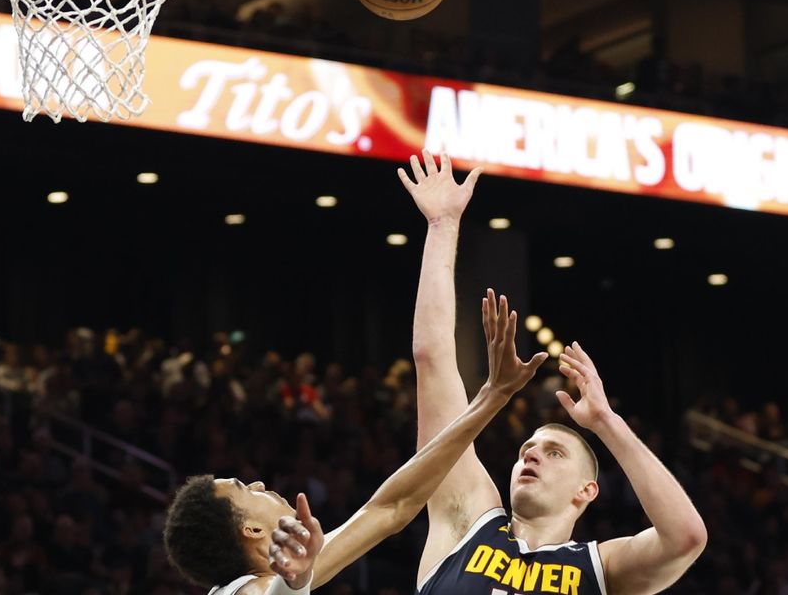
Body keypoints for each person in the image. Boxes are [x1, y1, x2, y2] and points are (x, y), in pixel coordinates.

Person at [399, 149, 708, 595]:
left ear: (586, 491)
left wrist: (606, 422)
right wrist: (443, 226)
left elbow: (686, 538)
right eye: (528, 447)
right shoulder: (467, 520)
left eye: (554, 452)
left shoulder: (600, 569)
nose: (530, 454)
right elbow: (433, 360)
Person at [163, 292, 549, 595]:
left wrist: (492, 398)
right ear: (251, 531)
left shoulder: (289, 571)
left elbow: (393, 507)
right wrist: (293, 583)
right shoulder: (254, 590)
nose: (259, 484)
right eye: (244, 488)